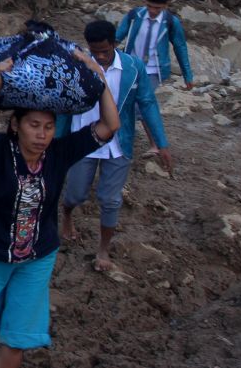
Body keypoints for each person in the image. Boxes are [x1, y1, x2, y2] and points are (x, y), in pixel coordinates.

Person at [0, 52, 119, 368]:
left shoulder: (60, 154)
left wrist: (99, 80)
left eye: (48, 126)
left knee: (18, 336)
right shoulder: (1, 151)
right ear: (17, 126)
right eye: (34, 125)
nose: (42, 133)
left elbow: (109, 126)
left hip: (38, 257)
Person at [57, 21, 172, 272]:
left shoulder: (132, 67)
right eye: (94, 51)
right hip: (82, 141)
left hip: (118, 144)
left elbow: (147, 104)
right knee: (75, 194)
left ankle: (103, 250)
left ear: (115, 44)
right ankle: (67, 215)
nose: (99, 56)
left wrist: (161, 143)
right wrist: (55, 141)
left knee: (110, 200)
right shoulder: (76, 65)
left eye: (105, 52)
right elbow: (63, 108)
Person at [115, 0, 193, 152]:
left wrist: (188, 75)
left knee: (138, 104)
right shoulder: (134, 15)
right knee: (138, 104)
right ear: (145, 2)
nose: (152, 10)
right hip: (131, 67)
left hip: (154, 70)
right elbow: (118, 37)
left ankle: (122, 140)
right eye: (149, 6)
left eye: (157, 8)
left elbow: (180, 47)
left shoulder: (171, 22)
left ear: (165, 5)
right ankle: (155, 143)